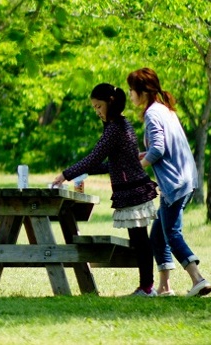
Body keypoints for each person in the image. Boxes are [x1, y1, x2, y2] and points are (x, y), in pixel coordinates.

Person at [51, 83, 159, 297]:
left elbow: (93, 157)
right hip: (132, 189)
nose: (97, 112)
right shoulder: (121, 125)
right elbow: (114, 164)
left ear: (110, 102)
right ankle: (146, 286)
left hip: (133, 191)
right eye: (94, 108)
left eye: (98, 106)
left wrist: (65, 174)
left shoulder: (115, 128)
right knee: (140, 241)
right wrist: (87, 172)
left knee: (140, 241)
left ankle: (147, 287)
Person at [128, 67, 211, 297]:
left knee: (172, 234)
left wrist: (137, 166)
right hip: (185, 178)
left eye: (131, 90)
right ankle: (165, 287)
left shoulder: (152, 114)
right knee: (158, 235)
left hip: (174, 182)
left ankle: (198, 279)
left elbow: (158, 149)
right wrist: (141, 157)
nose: (129, 95)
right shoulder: (166, 110)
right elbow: (163, 150)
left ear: (142, 91)